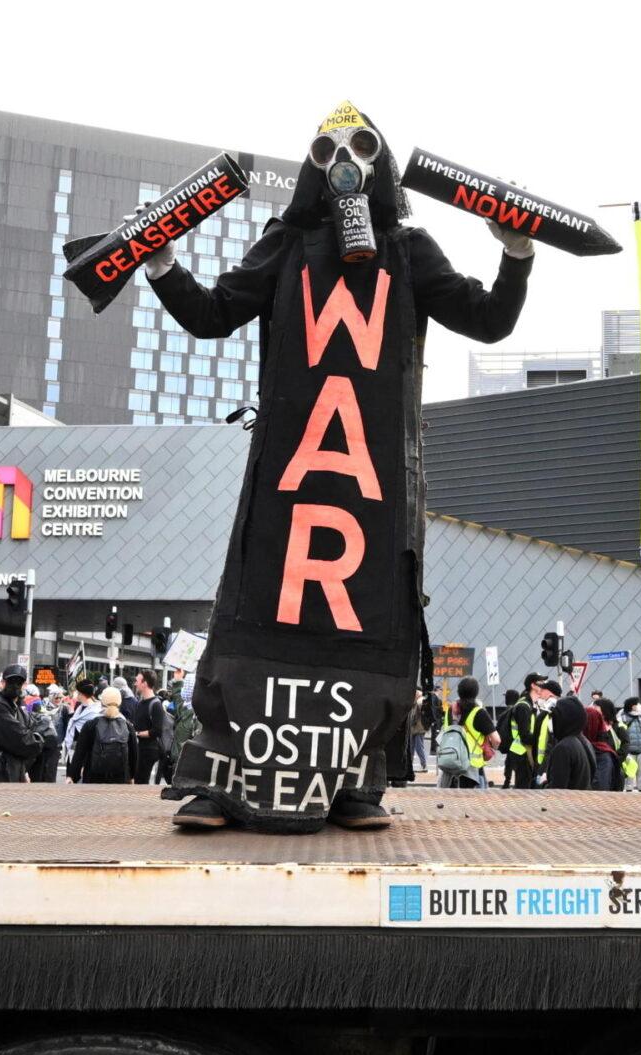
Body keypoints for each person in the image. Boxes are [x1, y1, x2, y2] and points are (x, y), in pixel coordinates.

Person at [146, 101, 531, 833]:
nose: (341, 160)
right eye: (325, 150)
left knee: (368, 609)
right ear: (309, 169)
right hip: (291, 475)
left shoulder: (408, 249)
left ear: (380, 163)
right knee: (261, 602)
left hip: (370, 481)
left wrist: (515, 254)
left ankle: (359, 782)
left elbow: (487, 320)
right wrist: (163, 263)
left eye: (357, 145)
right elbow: (214, 311)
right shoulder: (284, 242)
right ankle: (220, 779)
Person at [0, 668, 43, 782]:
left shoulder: (17, 709)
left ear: (25, 685)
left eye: (19, 683)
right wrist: (38, 739)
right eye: (11, 682)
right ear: (2, 683)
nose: (15, 686)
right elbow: (24, 742)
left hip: (8, 773)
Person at [70, 685, 137, 784]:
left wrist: (72, 776)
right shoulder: (127, 726)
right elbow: (133, 755)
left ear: (101, 702)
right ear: (119, 703)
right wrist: (132, 776)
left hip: (93, 778)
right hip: (121, 779)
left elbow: (80, 753)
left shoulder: (90, 725)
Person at [544, 688, 594, 790]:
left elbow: (556, 790)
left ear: (563, 719)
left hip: (566, 804)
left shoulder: (563, 748)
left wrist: (541, 784)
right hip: (579, 801)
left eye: (555, 716)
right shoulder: (584, 741)